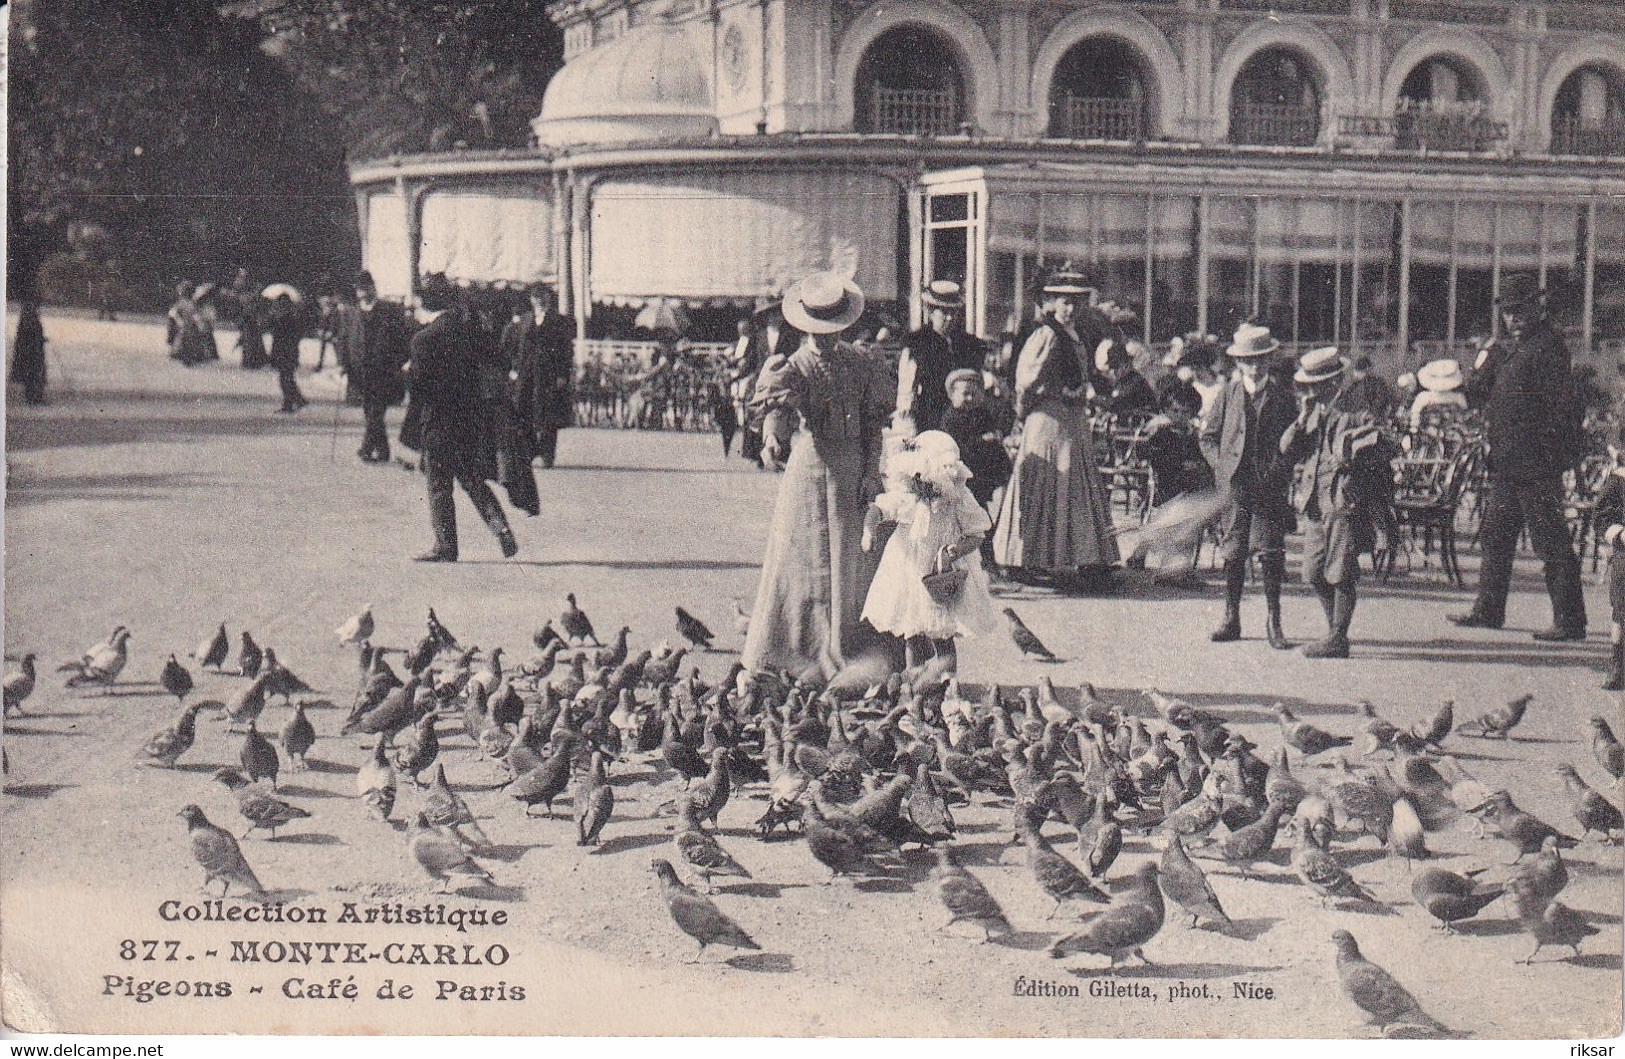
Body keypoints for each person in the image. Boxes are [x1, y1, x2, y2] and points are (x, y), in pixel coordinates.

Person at [742, 272, 892, 680]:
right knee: (804, 557)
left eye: (833, 330)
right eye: (818, 330)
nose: (825, 338)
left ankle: (851, 643)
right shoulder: (792, 365)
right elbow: (778, 410)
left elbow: (873, 423)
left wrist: (871, 470)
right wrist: (773, 438)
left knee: (852, 555)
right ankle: (800, 648)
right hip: (809, 467)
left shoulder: (862, 363)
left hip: (852, 468)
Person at [1449, 278, 1587, 641]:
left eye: (1520, 310)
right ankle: (1488, 610)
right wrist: (1485, 357)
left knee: (1550, 541)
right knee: (1496, 538)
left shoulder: (1549, 347)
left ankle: (1570, 621)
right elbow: (1476, 392)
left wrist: (1551, 456)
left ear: (1537, 308)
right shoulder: (1509, 351)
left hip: (1536, 465)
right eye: (1508, 312)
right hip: (1509, 464)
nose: (1513, 318)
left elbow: (1562, 409)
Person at [992, 269, 1120, 586]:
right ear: (1052, 303)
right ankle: (1024, 558)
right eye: (1065, 303)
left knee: (1076, 483)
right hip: (1049, 420)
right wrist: (1036, 404)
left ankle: (1088, 557)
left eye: (1077, 302)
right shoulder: (1046, 333)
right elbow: (1025, 380)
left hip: (1071, 420)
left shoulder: (1074, 333)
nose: (1071, 309)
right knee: (1048, 481)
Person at [1279, 348, 1388, 659]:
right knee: (1312, 572)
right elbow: (1287, 448)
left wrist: (1355, 451)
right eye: (1309, 385)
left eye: (1320, 383)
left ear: (1336, 380)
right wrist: (1301, 418)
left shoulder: (1357, 410)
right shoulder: (1312, 412)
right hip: (1315, 500)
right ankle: (1334, 633)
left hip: (1344, 500)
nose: (1312, 391)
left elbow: (1383, 446)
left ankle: (1338, 636)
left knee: (1340, 572)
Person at [860, 430, 999, 674]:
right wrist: (869, 532)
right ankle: (914, 687)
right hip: (908, 569)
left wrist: (954, 550)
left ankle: (945, 684)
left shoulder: (958, 497)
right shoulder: (908, 496)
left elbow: (977, 533)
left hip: (939, 572)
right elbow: (881, 509)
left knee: (942, 636)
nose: (926, 488)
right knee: (912, 632)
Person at [403, 274, 518, 563]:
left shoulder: (422, 340)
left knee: (439, 485)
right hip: (469, 419)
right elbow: (496, 361)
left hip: (437, 423)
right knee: (472, 479)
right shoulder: (469, 331)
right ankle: (500, 527)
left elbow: (417, 390)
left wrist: (407, 374)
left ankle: (446, 545)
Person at [1199, 323, 1299, 649]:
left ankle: (1274, 620)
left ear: (1269, 360)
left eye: (1260, 360)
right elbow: (1208, 437)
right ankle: (1231, 617)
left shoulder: (1283, 398)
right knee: (1233, 552)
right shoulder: (1227, 395)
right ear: (1238, 363)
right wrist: (1221, 466)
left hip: (1269, 486)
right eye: (1248, 361)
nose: (1254, 367)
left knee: (1270, 553)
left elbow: (1294, 444)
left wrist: (1278, 472)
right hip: (1235, 486)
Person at [337, 271, 411, 463]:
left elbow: (402, 339)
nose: (362, 293)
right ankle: (383, 450)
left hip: (383, 370)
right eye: (359, 289)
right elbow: (344, 340)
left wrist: (398, 363)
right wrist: (343, 363)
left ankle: (367, 448)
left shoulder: (389, 310)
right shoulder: (351, 313)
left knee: (376, 410)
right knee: (369, 410)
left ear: (373, 288)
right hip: (358, 371)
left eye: (366, 288)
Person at [502, 282, 576, 469]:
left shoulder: (559, 321)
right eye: (537, 297)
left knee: (548, 415)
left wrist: (562, 374)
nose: (540, 300)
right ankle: (530, 451)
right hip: (526, 374)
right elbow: (510, 344)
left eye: (543, 296)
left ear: (549, 298)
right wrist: (514, 367)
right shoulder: (524, 321)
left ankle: (547, 454)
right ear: (532, 300)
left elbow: (566, 350)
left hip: (548, 374)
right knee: (523, 411)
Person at [895, 280, 984, 433]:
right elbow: (907, 390)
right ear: (930, 311)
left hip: (964, 420)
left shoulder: (969, 344)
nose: (949, 318)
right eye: (943, 312)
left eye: (953, 312)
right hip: (929, 418)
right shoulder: (917, 344)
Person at [1593, 427, 1625, 688]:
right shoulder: (1619, 480)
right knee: (1621, 606)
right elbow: (1602, 518)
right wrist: (1620, 534)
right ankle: (1618, 661)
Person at [264, 291, 308, 413]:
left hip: (284, 352)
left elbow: (273, 328)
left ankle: (293, 402)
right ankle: (296, 400)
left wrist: (272, 317)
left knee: (285, 379)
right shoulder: (293, 316)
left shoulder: (284, 318)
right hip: (290, 351)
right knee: (287, 378)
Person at [1091, 338, 1157, 418]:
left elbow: (1114, 404)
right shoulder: (1122, 381)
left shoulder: (1134, 380)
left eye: (1115, 367)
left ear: (1126, 364)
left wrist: (1093, 397)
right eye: (1111, 367)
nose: (1113, 371)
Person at [1408, 358, 1469, 430]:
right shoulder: (1423, 396)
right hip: (1456, 392)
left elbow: (1443, 366)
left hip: (1454, 378)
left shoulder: (1424, 375)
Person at [10, 294, 47, 405]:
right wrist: (39, 339)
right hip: (32, 350)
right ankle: (34, 397)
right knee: (34, 372)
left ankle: (33, 396)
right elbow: (30, 333)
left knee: (33, 373)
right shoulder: (29, 313)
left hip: (31, 349)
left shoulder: (28, 312)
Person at [228, 268, 268, 369]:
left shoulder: (251, 291)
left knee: (251, 339)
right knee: (250, 339)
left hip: (250, 318)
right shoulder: (242, 291)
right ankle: (252, 360)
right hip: (246, 318)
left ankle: (253, 360)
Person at [1340, 355, 1397, 422]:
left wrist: (1371, 413)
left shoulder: (1376, 382)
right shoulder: (1358, 383)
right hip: (1364, 415)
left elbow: (1380, 400)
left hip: (1376, 417)